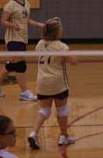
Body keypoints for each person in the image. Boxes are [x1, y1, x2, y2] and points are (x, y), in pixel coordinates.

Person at [0, 0, 44, 100]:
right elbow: (3, 22)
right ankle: (24, 93)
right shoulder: (10, 5)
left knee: (13, 64)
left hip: (23, 38)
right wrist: (13, 25)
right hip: (13, 38)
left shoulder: (27, 4)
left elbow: (27, 20)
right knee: (20, 64)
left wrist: (40, 25)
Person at [28, 17, 78, 150]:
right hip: (58, 83)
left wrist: (53, 22)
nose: (62, 29)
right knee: (62, 109)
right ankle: (64, 136)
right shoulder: (61, 46)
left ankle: (34, 133)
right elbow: (74, 61)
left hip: (42, 82)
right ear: (56, 32)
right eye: (60, 28)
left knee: (44, 109)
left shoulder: (39, 44)